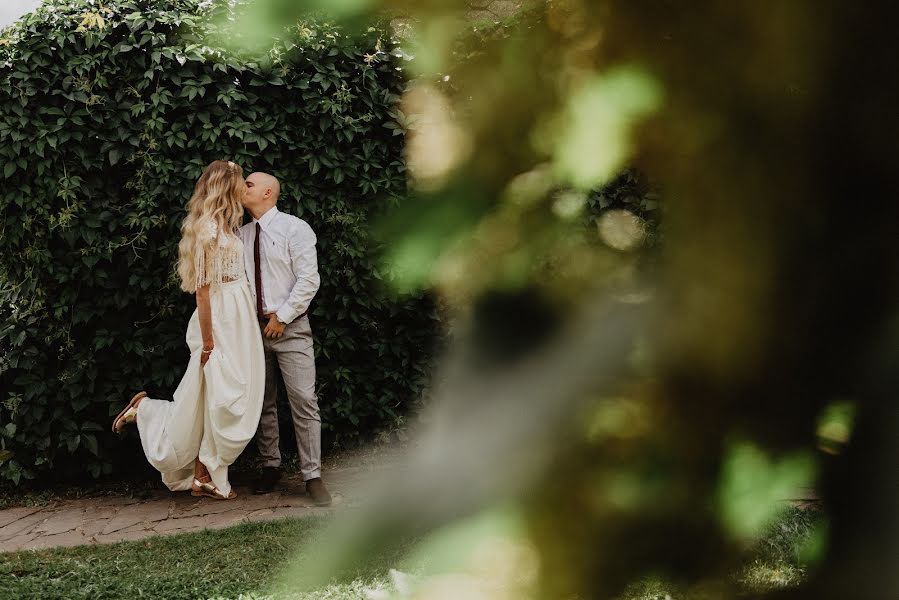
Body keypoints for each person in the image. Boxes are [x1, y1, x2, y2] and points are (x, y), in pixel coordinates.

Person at [112, 160, 264, 500]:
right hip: (221, 319)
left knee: (223, 398)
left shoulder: (226, 224)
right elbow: (203, 289)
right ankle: (150, 414)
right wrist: (209, 340)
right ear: (226, 186)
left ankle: (202, 475)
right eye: (240, 182)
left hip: (239, 318)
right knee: (225, 397)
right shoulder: (209, 228)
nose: (244, 187)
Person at [238, 172, 331, 506]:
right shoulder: (241, 235)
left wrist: (282, 316)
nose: (242, 187)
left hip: (290, 329)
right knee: (263, 402)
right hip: (253, 330)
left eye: (248, 184)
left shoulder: (295, 228)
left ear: (267, 192)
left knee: (304, 401)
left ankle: (312, 476)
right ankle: (270, 466)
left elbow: (309, 279)